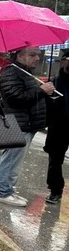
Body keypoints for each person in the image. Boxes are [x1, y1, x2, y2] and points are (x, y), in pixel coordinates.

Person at [0, 47, 55, 207]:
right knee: (11, 160)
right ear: (19, 55)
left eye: (38, 55)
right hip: (18, 124)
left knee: (16, 161)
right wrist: (41, 91)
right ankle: (2, 192)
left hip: (27, 124)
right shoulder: (11, 73)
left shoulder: (24, 72)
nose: (36, 58)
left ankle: (8, 190)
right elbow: (15, 98)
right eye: (32, 55)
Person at [43, 50, 69, 205]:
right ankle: (55, 190)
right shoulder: (55, 81)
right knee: (55, 160)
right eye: (67, 59)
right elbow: (46, 105)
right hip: (58, 127)